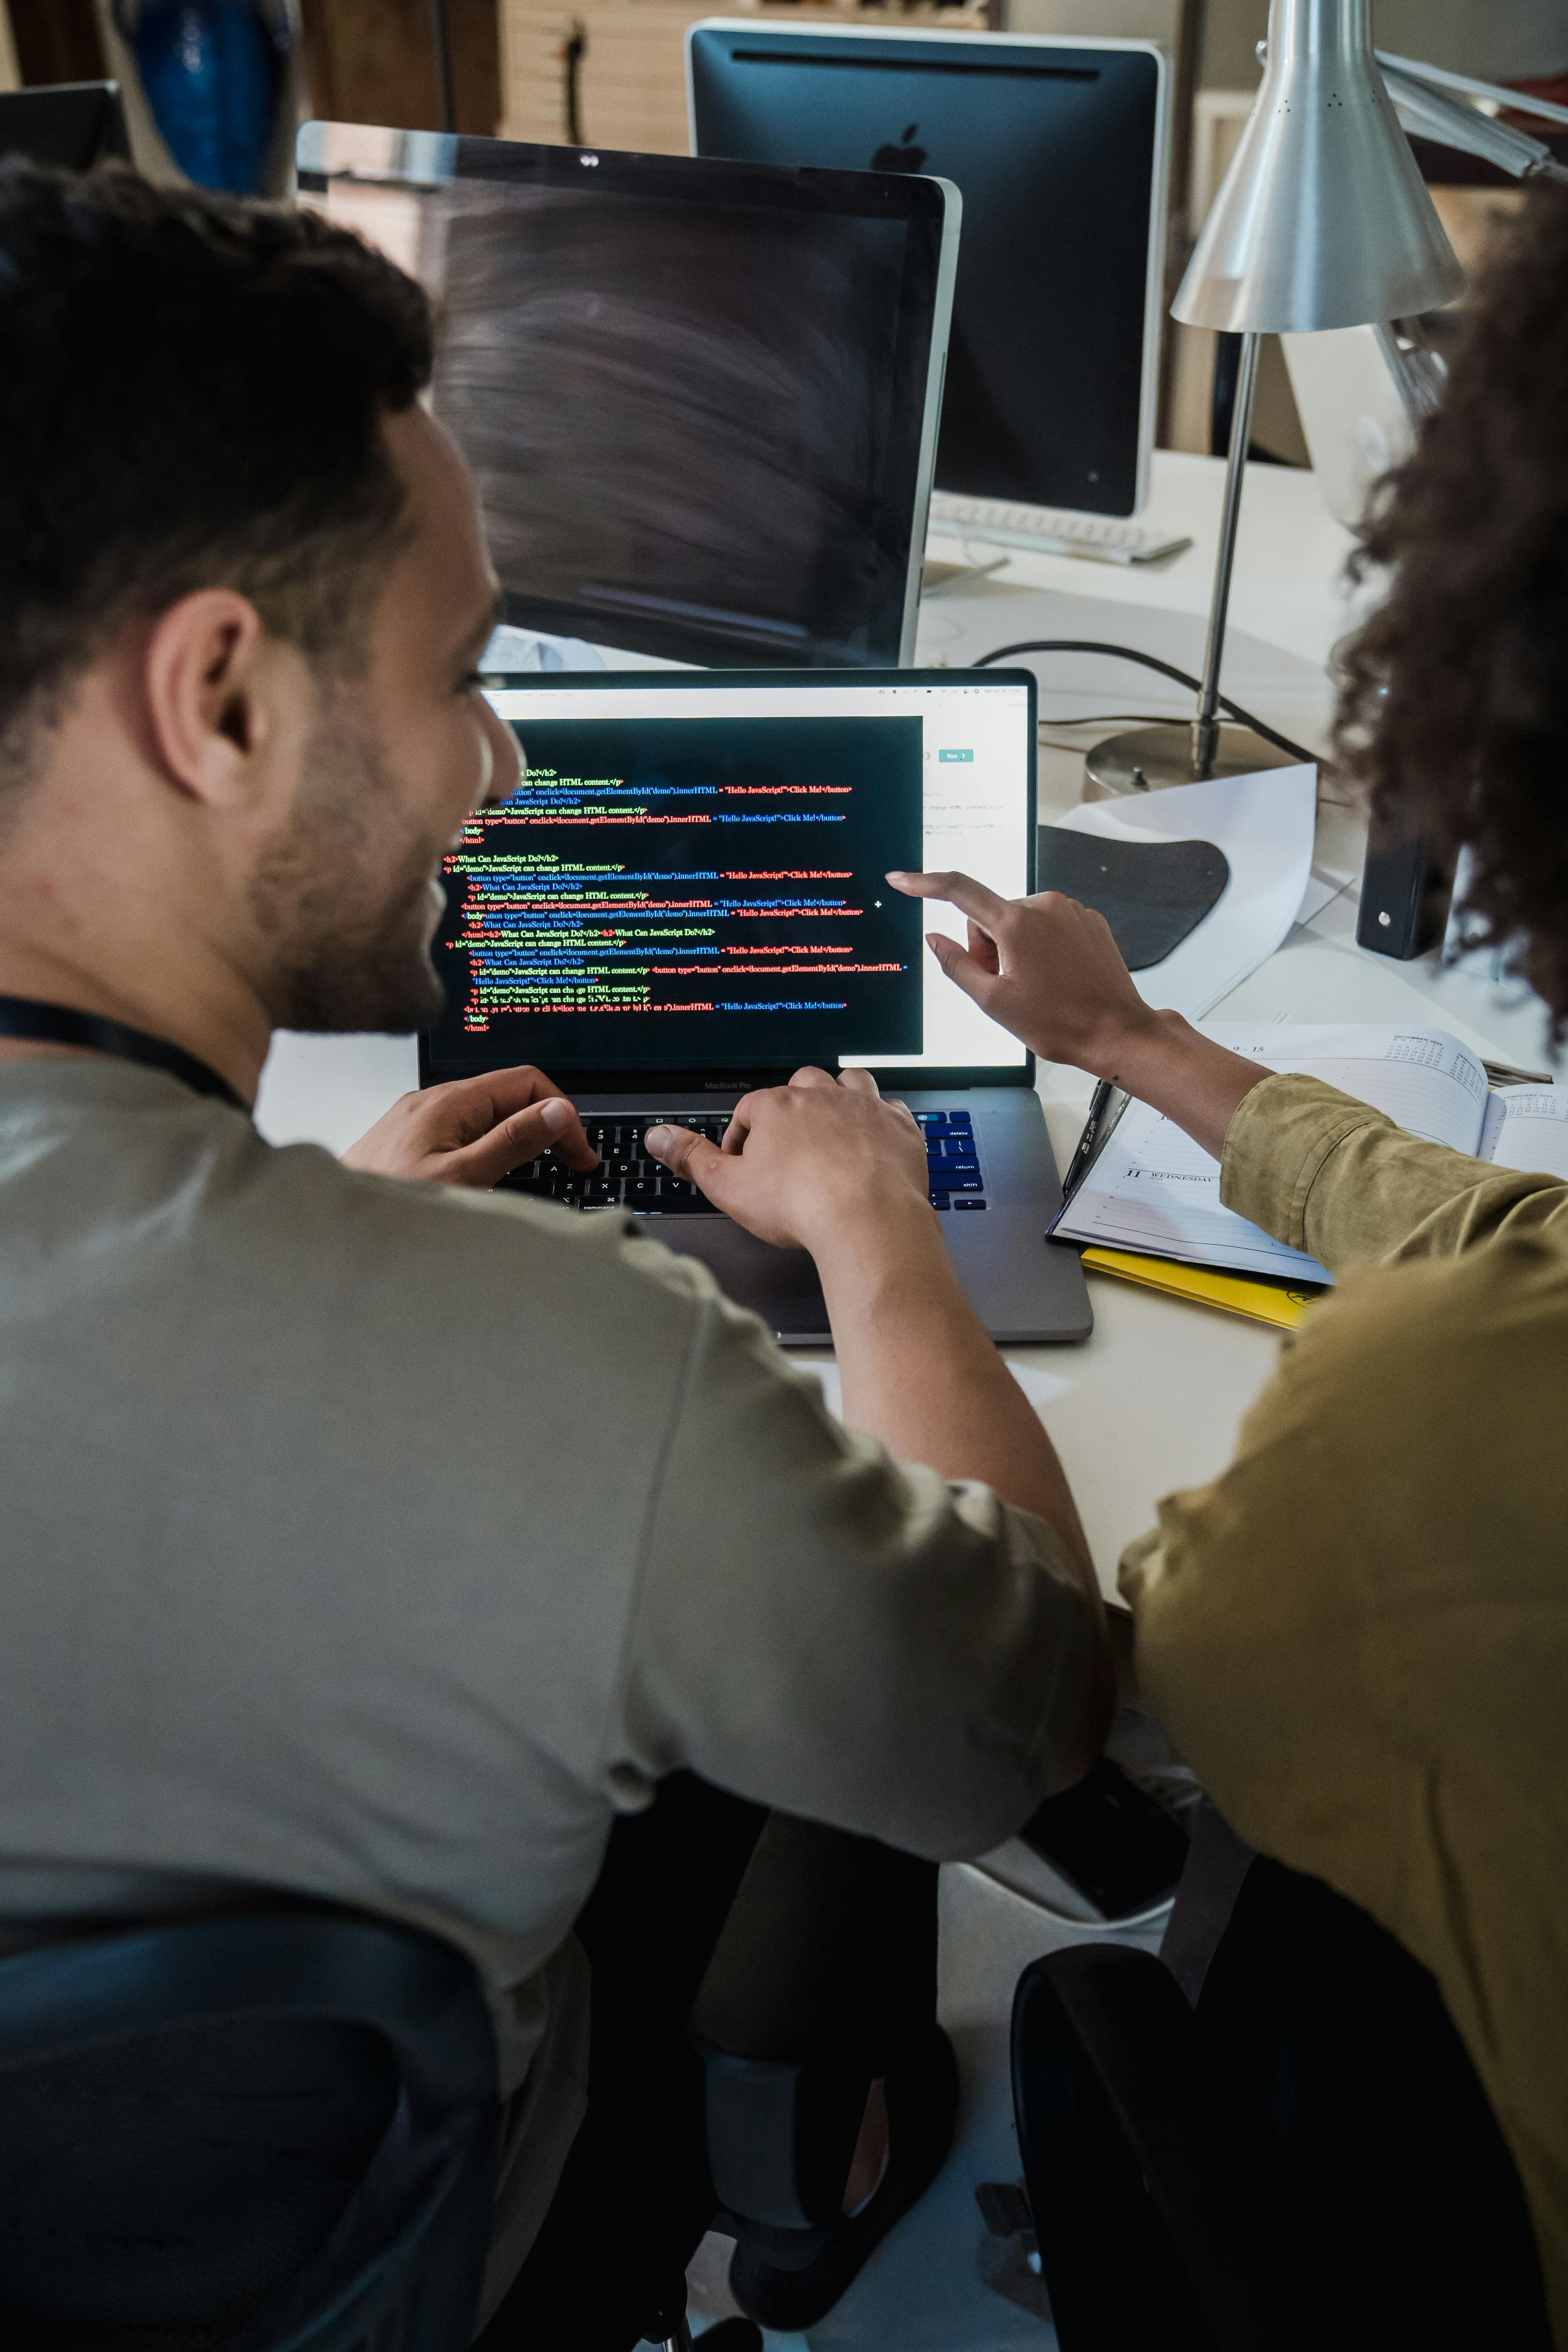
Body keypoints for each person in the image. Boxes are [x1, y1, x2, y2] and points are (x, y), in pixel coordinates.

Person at [0, 161, 1111, 2344]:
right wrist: (881, 1244)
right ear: (219, 700)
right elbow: (1037, 1718)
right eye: (461, 673)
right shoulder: (581, 1373)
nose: (499, 766)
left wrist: (306, 1263)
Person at [865, 184, 1568, 2348]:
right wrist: (1137, 1046)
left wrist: (882, 1241)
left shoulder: (1436, 1420)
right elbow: (1514, 1232)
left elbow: (1064, 1697)